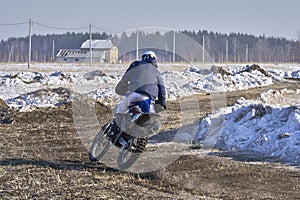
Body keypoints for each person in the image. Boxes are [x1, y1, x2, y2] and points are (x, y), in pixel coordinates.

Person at [108, 51, 166, 139]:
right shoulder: (157, 72)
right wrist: (161, 103)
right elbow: (162, 90)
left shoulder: (136, 64)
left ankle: (112, 132)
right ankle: (135, 137)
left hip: (134, 94)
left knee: (120, 109)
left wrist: (122, 87)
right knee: (148, 118)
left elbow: (125, 78)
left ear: (144, 57)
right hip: (148, 99)